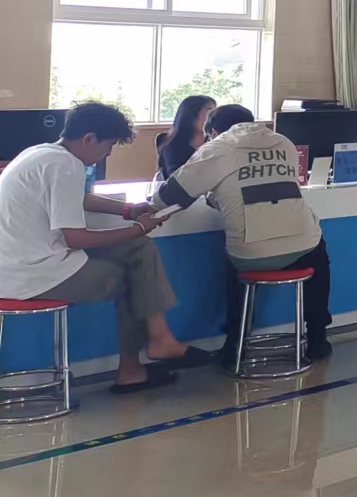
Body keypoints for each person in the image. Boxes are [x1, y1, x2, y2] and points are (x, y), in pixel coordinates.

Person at [0, 101, 214, 394]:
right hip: (33, 275)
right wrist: (137, 227)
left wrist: (128, 210)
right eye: (109, 145)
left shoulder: (41, 153)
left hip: (21, 265)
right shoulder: (66, 165)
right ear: (89, 139)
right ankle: (133, 368)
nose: (109, 153)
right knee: (132, 280)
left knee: (138, 248)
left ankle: (159, 340)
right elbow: (76, 238)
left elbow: (75, 198)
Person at [153, 104, 332, 367]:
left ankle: (235, 345)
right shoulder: (284, 142)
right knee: (317, 253)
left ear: (214, 131)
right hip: (303, 244)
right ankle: (317, 338)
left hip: (251, 255)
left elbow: (166, 198)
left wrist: (214, 196)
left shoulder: (217, 148)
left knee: (238, 264)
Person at [155, 94, 216, 182]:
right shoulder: (172, 146)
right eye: (210, 111)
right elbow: (175, 179)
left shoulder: (215, 141)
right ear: (191, 116)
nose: (214, 116)